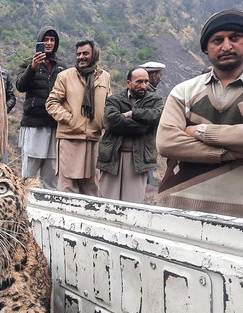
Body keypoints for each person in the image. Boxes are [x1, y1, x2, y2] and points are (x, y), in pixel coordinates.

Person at [156, 9, 243, 218]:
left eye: (235, 37)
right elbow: (167, 142)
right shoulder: (184, 91)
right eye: (217, 40)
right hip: (182, 201)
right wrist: (228, 153)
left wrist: (201, 132)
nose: (226, 46)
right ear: (206, 49)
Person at [45, 39, 111, 195]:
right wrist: (70, 119)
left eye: (85, 53)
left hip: (93, 139)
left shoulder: (105, 77)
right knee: (68, 187)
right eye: (79, 54)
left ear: (94, 54)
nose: (81, 57)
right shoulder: (65, 76)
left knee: (92, 189)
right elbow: (51, 103)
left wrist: (105, 122)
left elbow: (108, 103)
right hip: (70, 139)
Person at [97, 68, 163, 202]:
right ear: (128, 83)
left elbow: (158, 116)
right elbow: (111, 121)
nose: (143, 85)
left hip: (138, 159)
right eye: (139, 82)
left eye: (146, 81)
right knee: (107, 201)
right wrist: (142, 126)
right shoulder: (114, 100)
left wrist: (132, 113)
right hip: (113, 157)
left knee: (133, 203)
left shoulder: (155, 100)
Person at [15, 26, 67, 189]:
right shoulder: (28, 63)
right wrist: (32, 67)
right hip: (34, 124)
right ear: (40, 41)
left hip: (55, 125)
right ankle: (24, 206)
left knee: (51, 174)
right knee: (29, 173)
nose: (49, 43)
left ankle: (49, 209)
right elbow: (20, 86)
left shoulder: (62, 67)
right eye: (46, 40)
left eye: (52, 40)